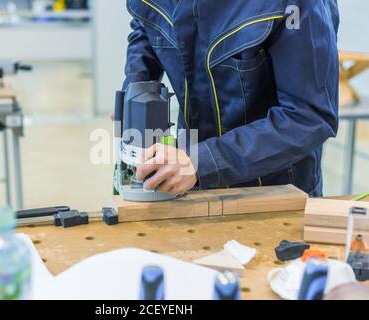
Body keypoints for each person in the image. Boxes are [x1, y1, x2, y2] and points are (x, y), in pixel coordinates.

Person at [120, 0, 340, 197]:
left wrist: (201, 161)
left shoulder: (298, 5)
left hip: (271, 192)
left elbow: (309, 117)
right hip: (187, 178)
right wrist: (136, 88)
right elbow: (146, 19)